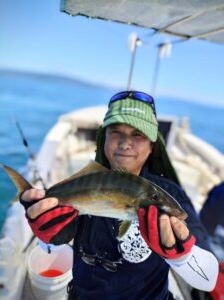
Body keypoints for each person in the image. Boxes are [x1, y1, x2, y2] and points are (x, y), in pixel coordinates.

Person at [20, 91, 218, 300]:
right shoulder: (82, 185)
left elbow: (208, 279)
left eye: (138, 135)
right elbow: (53, 248)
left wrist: (182, 254)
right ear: (103, 138)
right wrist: (47, 235)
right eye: (116, 132)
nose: (125, 143)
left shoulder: (172, 192)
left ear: (152, 146)